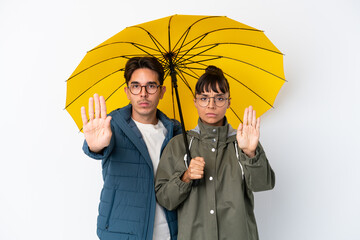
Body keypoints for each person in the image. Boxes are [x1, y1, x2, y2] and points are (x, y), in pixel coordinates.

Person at [155, 66, 275, 240]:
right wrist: (185, 177)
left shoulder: (242, 142)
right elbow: (165, 199)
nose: (211, 105)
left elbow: (263, 185)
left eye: (219, 98)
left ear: (228, 102)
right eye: (204, 98)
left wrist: (250, 154)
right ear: (195, 101)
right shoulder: (178, 145)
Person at [81, 57, 182, 240]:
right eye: (136, 86)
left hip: (169, 233)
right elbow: (97, 147)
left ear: (162, 92)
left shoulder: (175, 131)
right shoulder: (112, 125)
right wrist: (95, 147)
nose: (143, 94)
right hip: (122, 232)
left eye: (151, 86)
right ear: (127, 92)